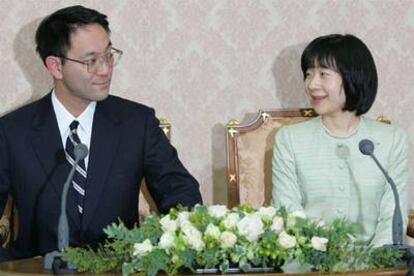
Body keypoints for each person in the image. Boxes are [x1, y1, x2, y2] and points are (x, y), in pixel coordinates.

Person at [0, 5, 202, 261]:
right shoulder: (12, 132)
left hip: (120, 268)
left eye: (109, 55)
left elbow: (181, 194)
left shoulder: (137, 123)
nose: (106, 69)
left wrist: (163, 250)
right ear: (55, 66)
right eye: (91, 60)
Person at [271, 34, 409, 246]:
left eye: (323, 74)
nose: (312, 84)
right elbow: (288, 213)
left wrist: (376, 266)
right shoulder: (289, 140)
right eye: (308, 74)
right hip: (308, 264)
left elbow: (392, 217)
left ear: (353, 76)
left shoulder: (392, 140)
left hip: (376, 266)